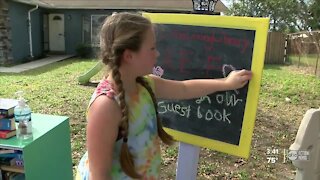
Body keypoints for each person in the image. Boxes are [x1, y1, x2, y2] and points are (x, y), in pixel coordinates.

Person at [76, 12, 252, 180]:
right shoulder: (105, 107)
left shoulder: (145, 84)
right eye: (152, 48)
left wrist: (226, 83)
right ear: (129, 56)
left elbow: (184, 89)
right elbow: (99, 176)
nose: (157, 54)